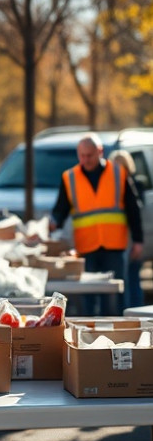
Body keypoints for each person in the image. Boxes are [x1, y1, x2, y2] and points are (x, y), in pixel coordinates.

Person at [50, 134, 143, 315]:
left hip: (114, 246)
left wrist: (138, 240)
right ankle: (87, 337)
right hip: (86, 247)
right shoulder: (70, 177)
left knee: (114, 299)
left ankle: (118, 338)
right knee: (88, 298)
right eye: (82, 155)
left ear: (100, 152)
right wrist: (53, 223)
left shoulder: (118, 173)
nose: (86, 160)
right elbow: (61, 209)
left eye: (90, 155)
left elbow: (133, 209)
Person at [109, 150, 145, 310]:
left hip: (128, 239)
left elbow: (135, 214)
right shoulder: (112, 187)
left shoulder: (132, 185)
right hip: (122, 240)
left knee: (131, 278)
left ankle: (133, 313)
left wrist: (138, 240)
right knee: (128, 278)